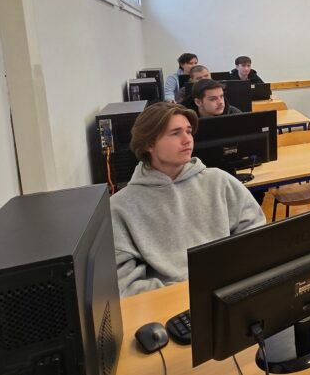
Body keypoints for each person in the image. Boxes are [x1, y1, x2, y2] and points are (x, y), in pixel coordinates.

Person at [109, 102, 265, 297]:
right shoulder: (121, 206)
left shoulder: (219, 181)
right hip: (166, 305)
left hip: (226, 293)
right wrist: (180, 295)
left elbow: (255, 234)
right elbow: (123, 283)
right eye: (175, 133)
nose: (187, 140)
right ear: (149, 144)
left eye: (189, 131)